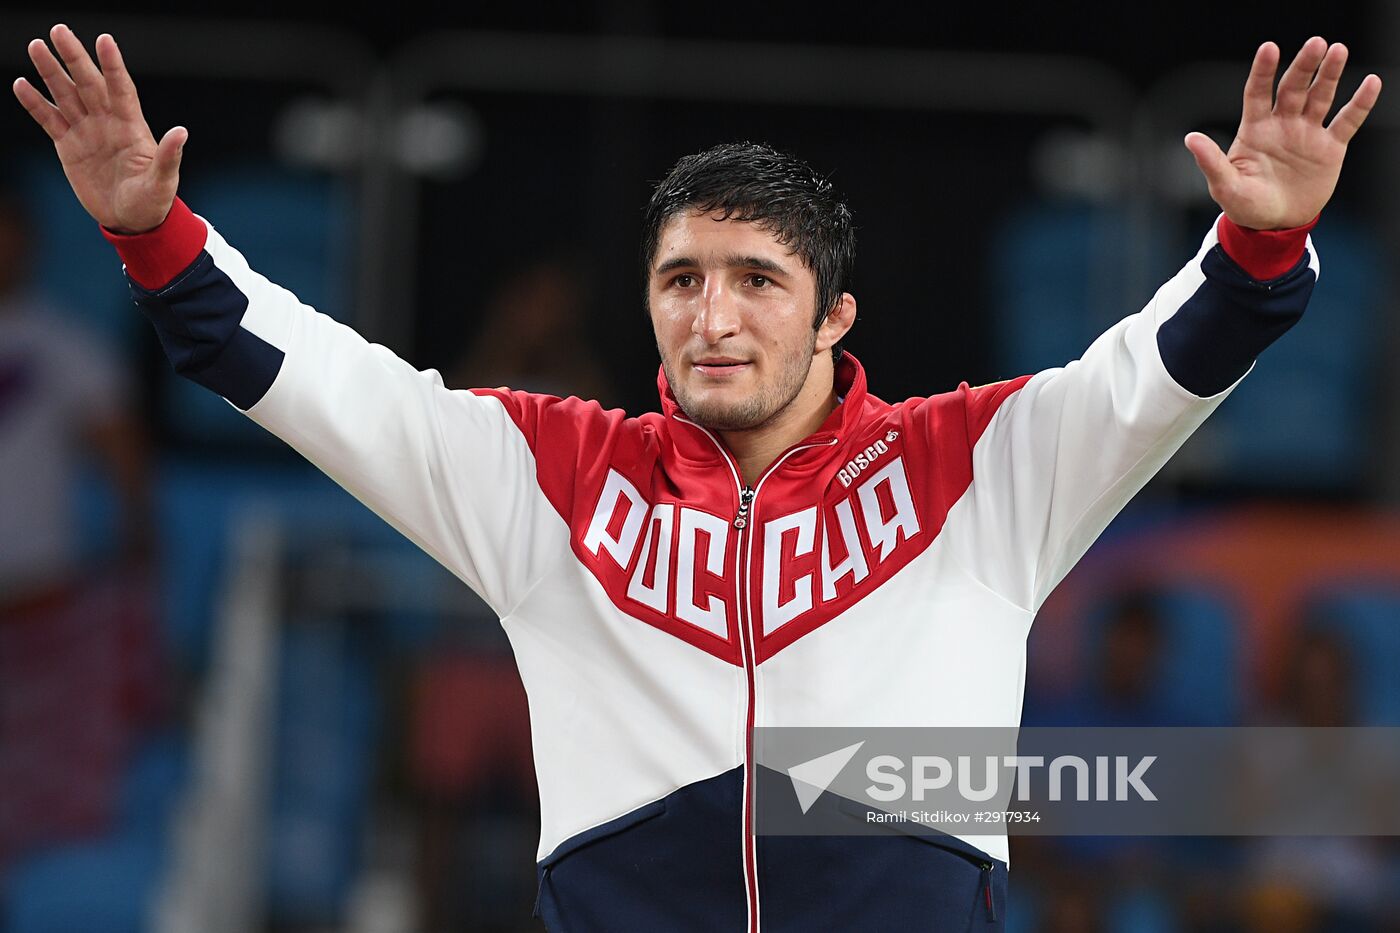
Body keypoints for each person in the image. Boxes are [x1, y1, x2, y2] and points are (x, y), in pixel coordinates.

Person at [13, 24, 1381, 932]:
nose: (712, 318)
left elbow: (1160, 369)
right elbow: (317, 379)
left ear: (834, 314)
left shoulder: (977, 468)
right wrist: (154, 236)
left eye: (755, 283)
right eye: (681, 281)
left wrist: (1257, 249)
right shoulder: (548, 476)